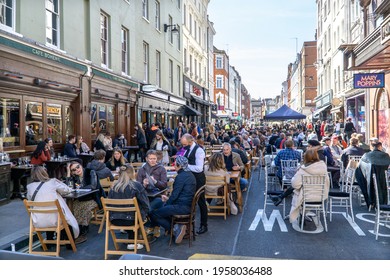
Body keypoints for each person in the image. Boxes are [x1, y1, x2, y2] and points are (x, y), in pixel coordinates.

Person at [26, 165, 80, 244]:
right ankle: (69, 243)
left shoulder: (29, 187)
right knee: (65, 218)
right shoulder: (52, 182)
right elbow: (67, 190)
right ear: (44, 173)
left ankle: (48, 242)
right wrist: (59, 182)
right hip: (55, 220)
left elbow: (29, 199)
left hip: (38, 221)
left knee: (48, 212)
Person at [149, 156, 196, 244]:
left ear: (179, 166)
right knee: (162, 208)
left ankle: (175, 229)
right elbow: (179, 194)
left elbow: (174, 196)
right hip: (187, 205)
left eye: (175, 164)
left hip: (181, 207)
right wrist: (167, 200)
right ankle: (177, 226)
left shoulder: (180, 177)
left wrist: (167, 203)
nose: (174, 166)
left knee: (154, 214)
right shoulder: (190, 174)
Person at [274, 149, 329, 223]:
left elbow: (294, 184)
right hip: (320, 196)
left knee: (296, 189)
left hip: (306, 197)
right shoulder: (323, 168)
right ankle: (302, 214)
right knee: (298, 188)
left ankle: (298, 212)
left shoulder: (303, 169)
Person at [108, 164, 150, 250]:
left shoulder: (113, 187)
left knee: (134, 213)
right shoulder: (136, 185)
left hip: (114, 220)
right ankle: (134, 241)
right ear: (133, 173)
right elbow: (145, 204)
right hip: (131, 220)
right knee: (140, 212)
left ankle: (132, 240)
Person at [65, 161, 100, 243]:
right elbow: (68, 187)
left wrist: (80, 188)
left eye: (78, 167)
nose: (77, 170)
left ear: (81, 165)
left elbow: (93, 186)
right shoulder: (74, 177)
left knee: (83, 208)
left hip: (93, 198)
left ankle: (82, 231)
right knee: (71, 207)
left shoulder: (90, 172)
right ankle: (75, 230)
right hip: (80, 199)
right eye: (73, 170)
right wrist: (68, 173)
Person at [180, 133, 208, 234]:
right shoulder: (188, 149)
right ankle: (187, 226)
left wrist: (186, 166)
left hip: (198, 179)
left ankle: (204, 225)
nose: (183, 146)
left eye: (185, 144)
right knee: (188, 200)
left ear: (191, 141)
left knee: (201, 202)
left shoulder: (199, 150)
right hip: (189, 179)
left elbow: (199, 168)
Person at [356, 141, 390, 207]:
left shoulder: (367, 155)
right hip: (385, 181)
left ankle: (371, 202)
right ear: (380, 147)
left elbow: (359, 168)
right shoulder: (385, 156)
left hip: (370, 180)